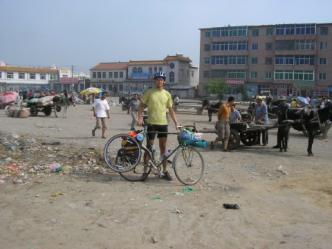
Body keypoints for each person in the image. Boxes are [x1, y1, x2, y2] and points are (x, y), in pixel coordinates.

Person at [137, 72, 179, 181]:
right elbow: (141, 105)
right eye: (157, 79)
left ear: (164, 81)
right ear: (154, 81)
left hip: (163, 124)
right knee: (148, 148)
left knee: (163, 148)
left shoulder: (167, 94)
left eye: (161, 79)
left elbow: (170, 110)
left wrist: (176, 122)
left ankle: (164, 171)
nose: (159, 81)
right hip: (151, 123)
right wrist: (140, 117)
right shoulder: (149, 92)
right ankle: (145, 171)